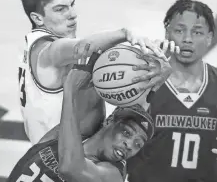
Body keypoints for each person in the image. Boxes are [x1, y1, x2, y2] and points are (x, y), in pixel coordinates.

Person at [19, 0, 172, 144]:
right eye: (60, 9)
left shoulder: (33, 43)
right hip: (58, 160)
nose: (72, 14)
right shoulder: (48, 51)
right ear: (37, 18)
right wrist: (125, 34)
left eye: (71, 5)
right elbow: (79, 47)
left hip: (55, 154)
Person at [8, 45, 161, 182]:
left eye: (138, 144)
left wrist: (70, 92)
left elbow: (69, 168)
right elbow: (92, 58)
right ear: (109, 121)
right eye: (127, 133)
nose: (129, 145)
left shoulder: (112, 174)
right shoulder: (75, 133)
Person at [127, 0, 217, 182]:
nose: (187, 39)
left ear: (209, 38)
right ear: (167, 33)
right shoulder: (142, 80)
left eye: (197, 32)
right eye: (179, 30)